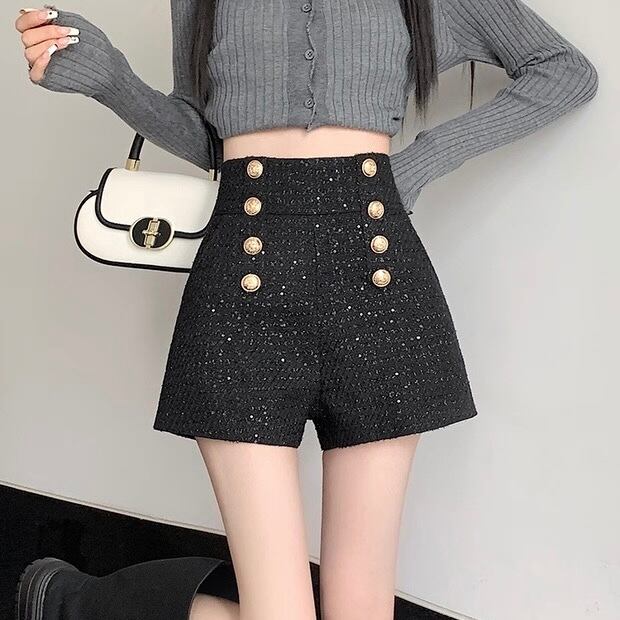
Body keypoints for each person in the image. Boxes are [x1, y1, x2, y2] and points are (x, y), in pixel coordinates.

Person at [13, 2, 598, 619]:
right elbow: (206, 139)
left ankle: (76, 606)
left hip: (378, 276)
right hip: (244, 275)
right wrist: (110, 79)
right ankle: (82, 604)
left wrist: (421, 161)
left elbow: (563, 70)